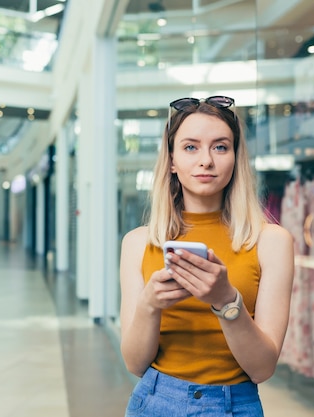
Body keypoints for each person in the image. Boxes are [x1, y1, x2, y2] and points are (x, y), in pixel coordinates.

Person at [119, 95, 294, 417]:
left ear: (235, 158)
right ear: (171, 161)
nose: (206, 161)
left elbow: (262, 369)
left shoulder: (271, 241)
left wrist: (226, 301)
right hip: (153, 401)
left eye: (220, 147)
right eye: (190, 147)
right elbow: (134, 363)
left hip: (234, 405)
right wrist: (149, 304)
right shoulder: (138, 242)